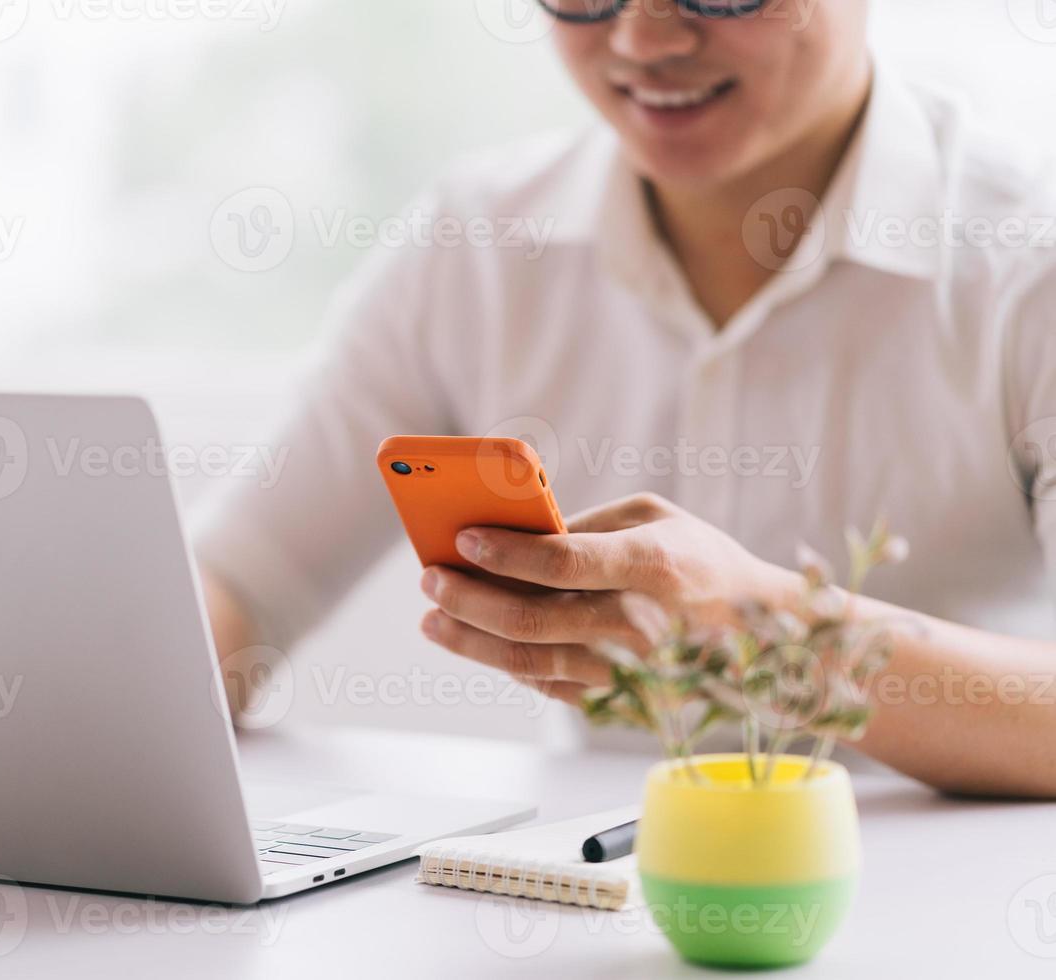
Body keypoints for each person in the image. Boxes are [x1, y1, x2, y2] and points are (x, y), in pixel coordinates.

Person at [195, 0, 1056, 797]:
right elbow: (240, 583)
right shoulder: (480, 246)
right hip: (599, 923)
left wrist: (768, 636)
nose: (644, 40)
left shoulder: (1026, 259)